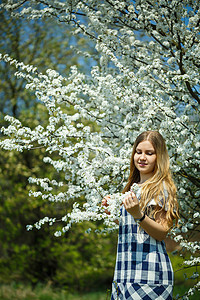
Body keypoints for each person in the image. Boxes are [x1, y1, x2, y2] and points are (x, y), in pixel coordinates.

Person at [102, 130, 179, 300]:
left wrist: (138, 214)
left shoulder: (161, 188)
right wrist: (113, 213)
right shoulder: (132, 187)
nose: (142, 157)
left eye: (149, 153)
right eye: (138, 152)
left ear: (159, 157)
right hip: (125, 273)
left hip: (149, 276)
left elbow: (161, 232)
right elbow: (137, 229)